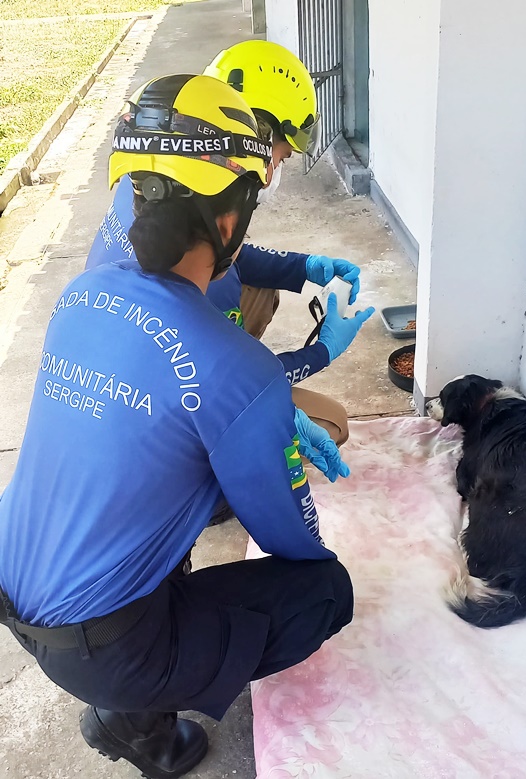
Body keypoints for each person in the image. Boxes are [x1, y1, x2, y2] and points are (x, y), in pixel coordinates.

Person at [0, 74, 363, 779]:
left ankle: (127, 680)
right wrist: (278, 444)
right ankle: (135, 722)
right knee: (324, 592)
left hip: (15, 592)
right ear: (229, 221)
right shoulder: (238, 368)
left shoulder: (81, 294)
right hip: (104, 650)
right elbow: (295, 542)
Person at [86, 40, 366, 452]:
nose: (275, 172)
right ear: (254, 137)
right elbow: (227, 377)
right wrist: (323, 351)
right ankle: (211, 480)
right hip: (156, 408)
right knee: (331, 424)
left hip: (122, 362)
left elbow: (223, 255)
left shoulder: (150, 178)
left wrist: (303, 267)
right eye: (281, 157)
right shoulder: (202, 280)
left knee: (261, 293)